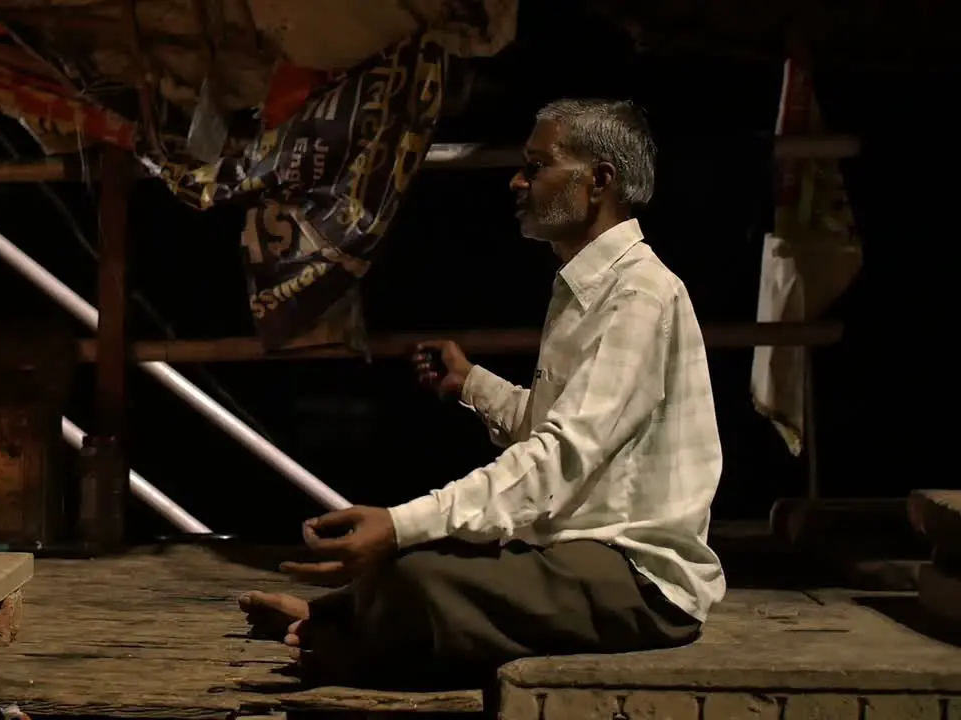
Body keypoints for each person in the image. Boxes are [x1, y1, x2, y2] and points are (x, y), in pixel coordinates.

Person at [239, 98, 724, 689]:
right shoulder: (587, 287)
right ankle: (343, 619)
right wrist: (472, 383)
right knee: (422, 559)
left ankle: (350, 637)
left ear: (598, 181)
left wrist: (399, 523)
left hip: (640, 580)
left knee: (420, 571)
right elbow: (562, 430)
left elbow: (561, 456)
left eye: (537, 165)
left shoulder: (637, 297)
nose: (518, 181)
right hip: (578, 553)